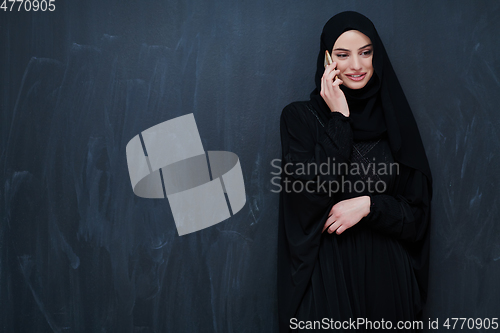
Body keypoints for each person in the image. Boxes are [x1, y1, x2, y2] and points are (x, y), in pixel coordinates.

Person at [277, 11, 433, 332]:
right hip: (328, 277)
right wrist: (340, 119)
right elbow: (308, 198)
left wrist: (369, 206)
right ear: (326, 60)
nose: (357, 65)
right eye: (343, 55)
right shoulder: (299, 119)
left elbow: (418, 217)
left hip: (388, 279)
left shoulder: (395, 122)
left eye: (366, 52)